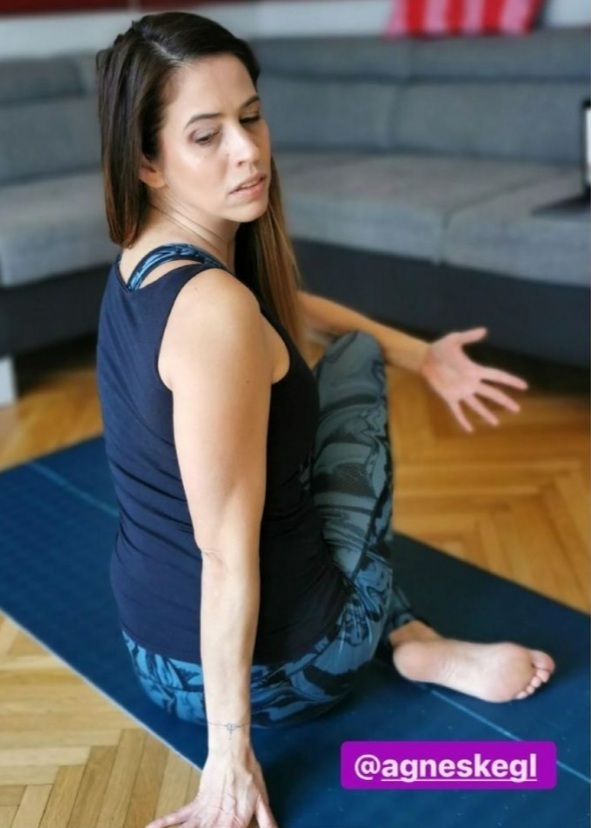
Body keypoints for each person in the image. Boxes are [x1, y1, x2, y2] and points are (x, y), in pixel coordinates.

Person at [95, 12, 555, 828]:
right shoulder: (217, 313)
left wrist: (426, 354)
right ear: (147, 160)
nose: (247, 150)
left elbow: (284, 308)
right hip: (289, 673)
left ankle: (406, 636)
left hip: (153, 660)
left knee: (317, 375)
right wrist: (228, 756)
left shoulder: (141, 257)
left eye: (251, 117)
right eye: (206, 136)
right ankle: (404, 636)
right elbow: (223, 555)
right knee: (355, 363)